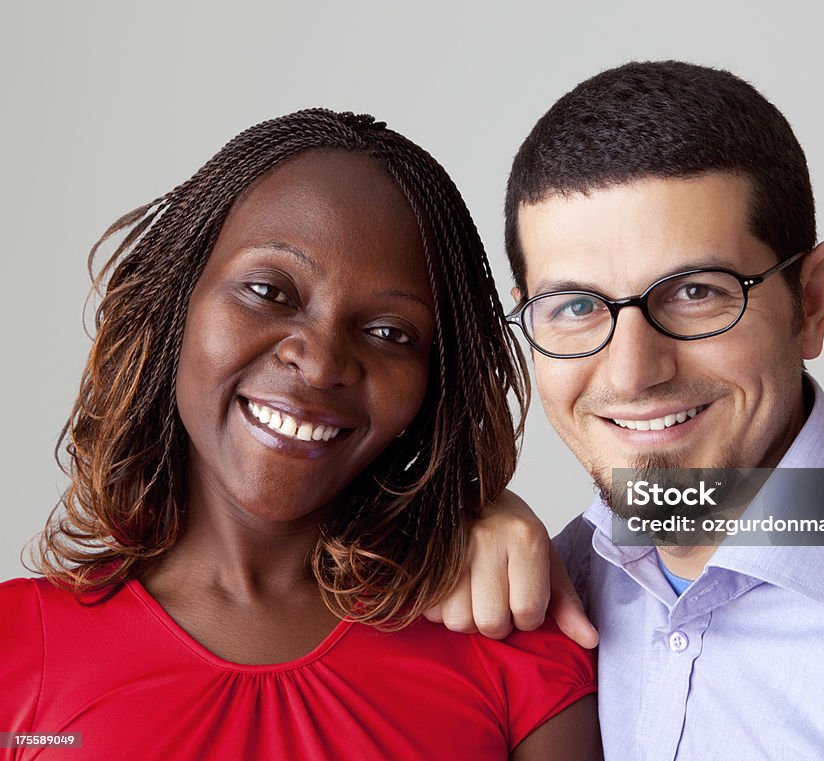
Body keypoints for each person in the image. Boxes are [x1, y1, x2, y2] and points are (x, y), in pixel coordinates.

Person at [426, 61, 824, 759]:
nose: (633, 371)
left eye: (695, 292)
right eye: (577, 307)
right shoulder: (540, 591)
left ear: (814, 300)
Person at [0, 109, 600, 760]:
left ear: (432, 383)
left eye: (390, 333)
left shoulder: (508, 641)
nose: (320, 363)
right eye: (269, 290)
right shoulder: (18, 648)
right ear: (178, 300)